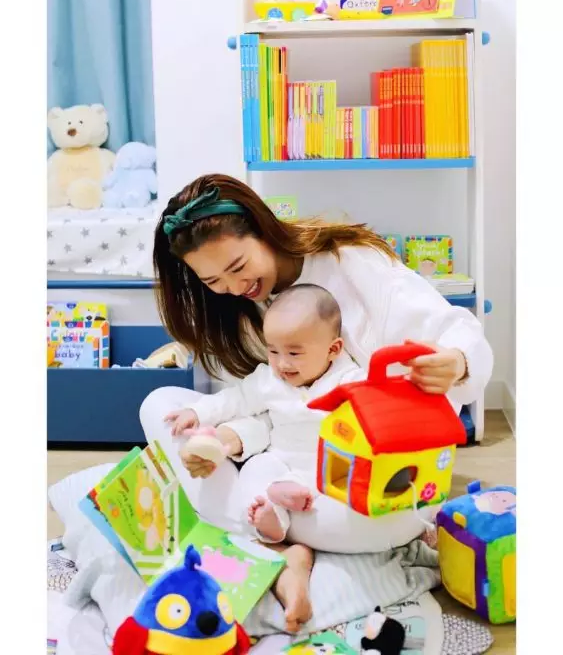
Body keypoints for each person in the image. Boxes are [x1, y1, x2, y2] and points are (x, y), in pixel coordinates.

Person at [140, 173, 494, 631]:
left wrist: (457, 362)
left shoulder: (351, 264)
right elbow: (257, 406)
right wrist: (222, 441)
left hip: (369, 490)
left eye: (238, 265)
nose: (233, 285)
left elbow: (453, 331)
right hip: (282, 468)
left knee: (371, 517)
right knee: (160, 405)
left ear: (263, 228)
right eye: (212, 280)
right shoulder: (235, 309)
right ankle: (282, 539)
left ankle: (272, 544)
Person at [169, 284, 366, 544]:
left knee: (342, 479)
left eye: (294, 353)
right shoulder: (268, 379)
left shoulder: (352, 381)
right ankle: (269, 517)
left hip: (326, 462)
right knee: (256, 468)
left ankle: (293, 494)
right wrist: (198, 411)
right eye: (273, 351)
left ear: (333, 350)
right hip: (280, 457)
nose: (282, 363)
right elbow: (236, 399)